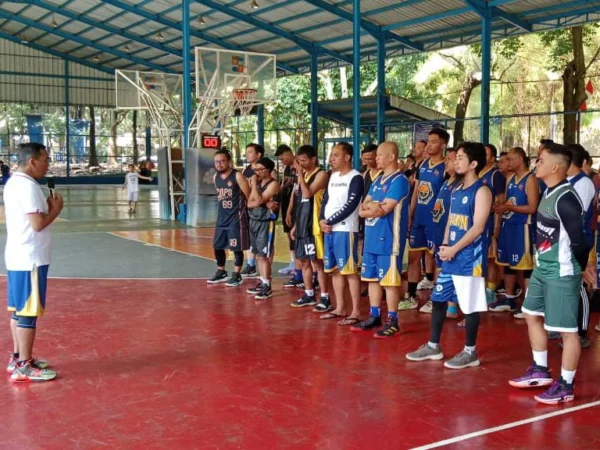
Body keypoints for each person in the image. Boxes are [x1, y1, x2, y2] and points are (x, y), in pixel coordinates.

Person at [509, 143, 587, 405]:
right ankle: (540, 370)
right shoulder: (548, 190)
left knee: (567, 332)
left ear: (555, 167)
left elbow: (580, 241)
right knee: (531, 314)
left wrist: (578, 269)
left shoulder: (566, 198)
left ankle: (565, 385)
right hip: (543, 269)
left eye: (541, 161)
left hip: (561, 272)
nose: (536, 164)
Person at [406, 142, 492, 369]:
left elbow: (478, 228)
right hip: (451, 255)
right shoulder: (455, 190)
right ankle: (433, 346)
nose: (455, 161)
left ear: (473, 164)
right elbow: (451, 221)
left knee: (470, 305)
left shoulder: (482, 191)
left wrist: (455, 249)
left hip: (469, 259)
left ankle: (470, 352)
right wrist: (445, 244)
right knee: (438, 299)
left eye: (461, 158)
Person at [5, 143, 63, 382]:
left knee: (19, 311)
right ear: (32, 161)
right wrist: (55, 210)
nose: (48, 164)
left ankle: (18, 357)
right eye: (45, 159)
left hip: (18, 256)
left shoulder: (13, 182)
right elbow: (37, 224)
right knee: (28, 312)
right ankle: (24, 366)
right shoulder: (29, 187)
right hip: (30, 259)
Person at [352, 142, 409, 338]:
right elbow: (362, 208)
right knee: (372, 278)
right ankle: (374, 315)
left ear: (392, 156)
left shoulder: (399, 180)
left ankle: (393, 320)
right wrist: (372, 207)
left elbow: (385, 209)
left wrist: (373, 207)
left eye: (380, 155)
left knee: (390, 282)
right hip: (371, 239)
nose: (376, 158)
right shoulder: (377, 180)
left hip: (389, 240)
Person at [403, 128, 449, 310]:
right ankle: (411, 296)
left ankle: (436, 299)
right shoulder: (422, 165)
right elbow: (416, 191)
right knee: (414, 257)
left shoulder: (446, 167)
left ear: (443, 145)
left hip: (436, 221)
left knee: (437, 260)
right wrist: (411, 214)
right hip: (419, 219)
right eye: (428, 141)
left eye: (434, 142)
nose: (429, 145)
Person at [318, 142, 364, 325]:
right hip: (330, 229)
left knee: (350, 271)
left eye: (336, 155)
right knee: (335, 271)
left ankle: (356, 311)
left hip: (345, 230)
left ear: (347, 157)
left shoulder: (356, 177)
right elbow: (326, 201)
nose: (332, 158)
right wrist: (322, 219)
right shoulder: (333, 176)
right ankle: (340, 307)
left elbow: (351, 205)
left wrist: (330, 221)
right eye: (331, 154)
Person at [492, 147, 539, 316]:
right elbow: (504, 203)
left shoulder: (530, 180)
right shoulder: (510, 178)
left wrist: (508, 207)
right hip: (507, 226)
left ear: (520, 159)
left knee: (526, 267)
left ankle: (529, 305)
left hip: (522, 228)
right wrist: (498, 209)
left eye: (510, 159)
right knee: (508, 265)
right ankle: (509, 299)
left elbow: (532, 207)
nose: (507, 162)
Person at [289, 145, 330, 308]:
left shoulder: (321, 174)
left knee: (317, 263)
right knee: (304, 261)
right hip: (302, 224)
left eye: (304, 160)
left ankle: (325, 297)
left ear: (313, 159)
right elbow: (300, 201)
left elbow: (307, 194)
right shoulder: (303, 174)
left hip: (314, 226)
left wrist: (299, 174)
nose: (301, 164)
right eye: (298, 161)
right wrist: (295, 225)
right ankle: (309, 294)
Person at [564, 144, 595, 349]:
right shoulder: (565, 182)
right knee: (566, 284)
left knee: (579, 284)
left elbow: (576, 215)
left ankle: (581, 331)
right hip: (565, 240)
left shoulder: (583, 183)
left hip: (579, 241)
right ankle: (567, 326)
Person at [207, 149, 250, 287]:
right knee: (217, 246)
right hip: (222, 217)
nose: (219, 164)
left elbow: (249, 195)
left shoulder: (237, 176)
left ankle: (237, 275)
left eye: (222, 161)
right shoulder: (215, 177)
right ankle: (221, 271)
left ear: (229, 162)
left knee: (236, 247)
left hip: (236, 217)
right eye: (216, 162)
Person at [246, 157, 280, 300]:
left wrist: (253, 186)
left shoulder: (274, 184)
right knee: (258, 254)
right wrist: (262, 201)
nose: (257, 172)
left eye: (260, 169)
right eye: (256, 170)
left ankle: (267, 285)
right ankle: (262, 281)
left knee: (264, 255)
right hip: (254, 220)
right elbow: (249, 203)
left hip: (266, 222)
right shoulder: (259, 183)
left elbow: (257, 200)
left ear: (269, 170)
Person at [480, 144, 506, 304]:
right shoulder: (476, 173)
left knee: (490, 259)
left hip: (489, 223)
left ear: (492, 157)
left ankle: (490, 291)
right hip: (476, 223)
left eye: (486, 154)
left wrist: (497, 227)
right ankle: (481, 288)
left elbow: (501, 202)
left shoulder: (495, 175)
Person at [240, 143, 266, 279]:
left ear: (258, 155)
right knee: (251, 238)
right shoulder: (246, 171)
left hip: (261, 211)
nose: (247, 154)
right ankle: (251, 265)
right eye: (247, 152)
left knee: (262, 242)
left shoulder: (264, 170)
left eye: (250, 152)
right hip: (249, 208)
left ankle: (264, 275)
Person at [274, 145, 299, 277]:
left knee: (296, 235)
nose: (282, 161)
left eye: (282, 158)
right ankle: (292, 262)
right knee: (289, 234)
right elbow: (283, 185)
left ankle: (300, 265)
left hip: (296, 206)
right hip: (286, 205)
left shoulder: (299, 166)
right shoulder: (286, 170)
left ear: (289, 154)